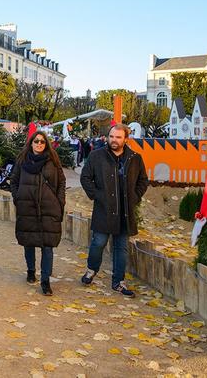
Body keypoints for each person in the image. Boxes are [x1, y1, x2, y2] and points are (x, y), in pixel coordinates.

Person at [80, 124, 149, 297]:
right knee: (98, 243)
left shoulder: (135, 158)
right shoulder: (97, 156)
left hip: (125, 211)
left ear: (125, 139)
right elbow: (85, 177)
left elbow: (143, 180)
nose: (114, 140)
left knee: (121, 248)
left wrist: (135, 197)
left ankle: (118, 281)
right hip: (104, 209)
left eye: (118, 137)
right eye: (111, 136)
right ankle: (91, 269)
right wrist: (97, 195)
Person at [10, 131, 66, 296]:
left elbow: (61, 181)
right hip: (27, 208)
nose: (39, 144)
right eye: (36, 141)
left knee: (47, 245)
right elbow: (13, 181)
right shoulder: (22, 160)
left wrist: (60, 201)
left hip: (49, 208)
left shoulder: (53, 160)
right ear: (31, 143)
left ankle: (46, 280)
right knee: (29, 241)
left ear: (46, 143)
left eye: (42, 142)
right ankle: (30, 270)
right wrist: (18, 197)